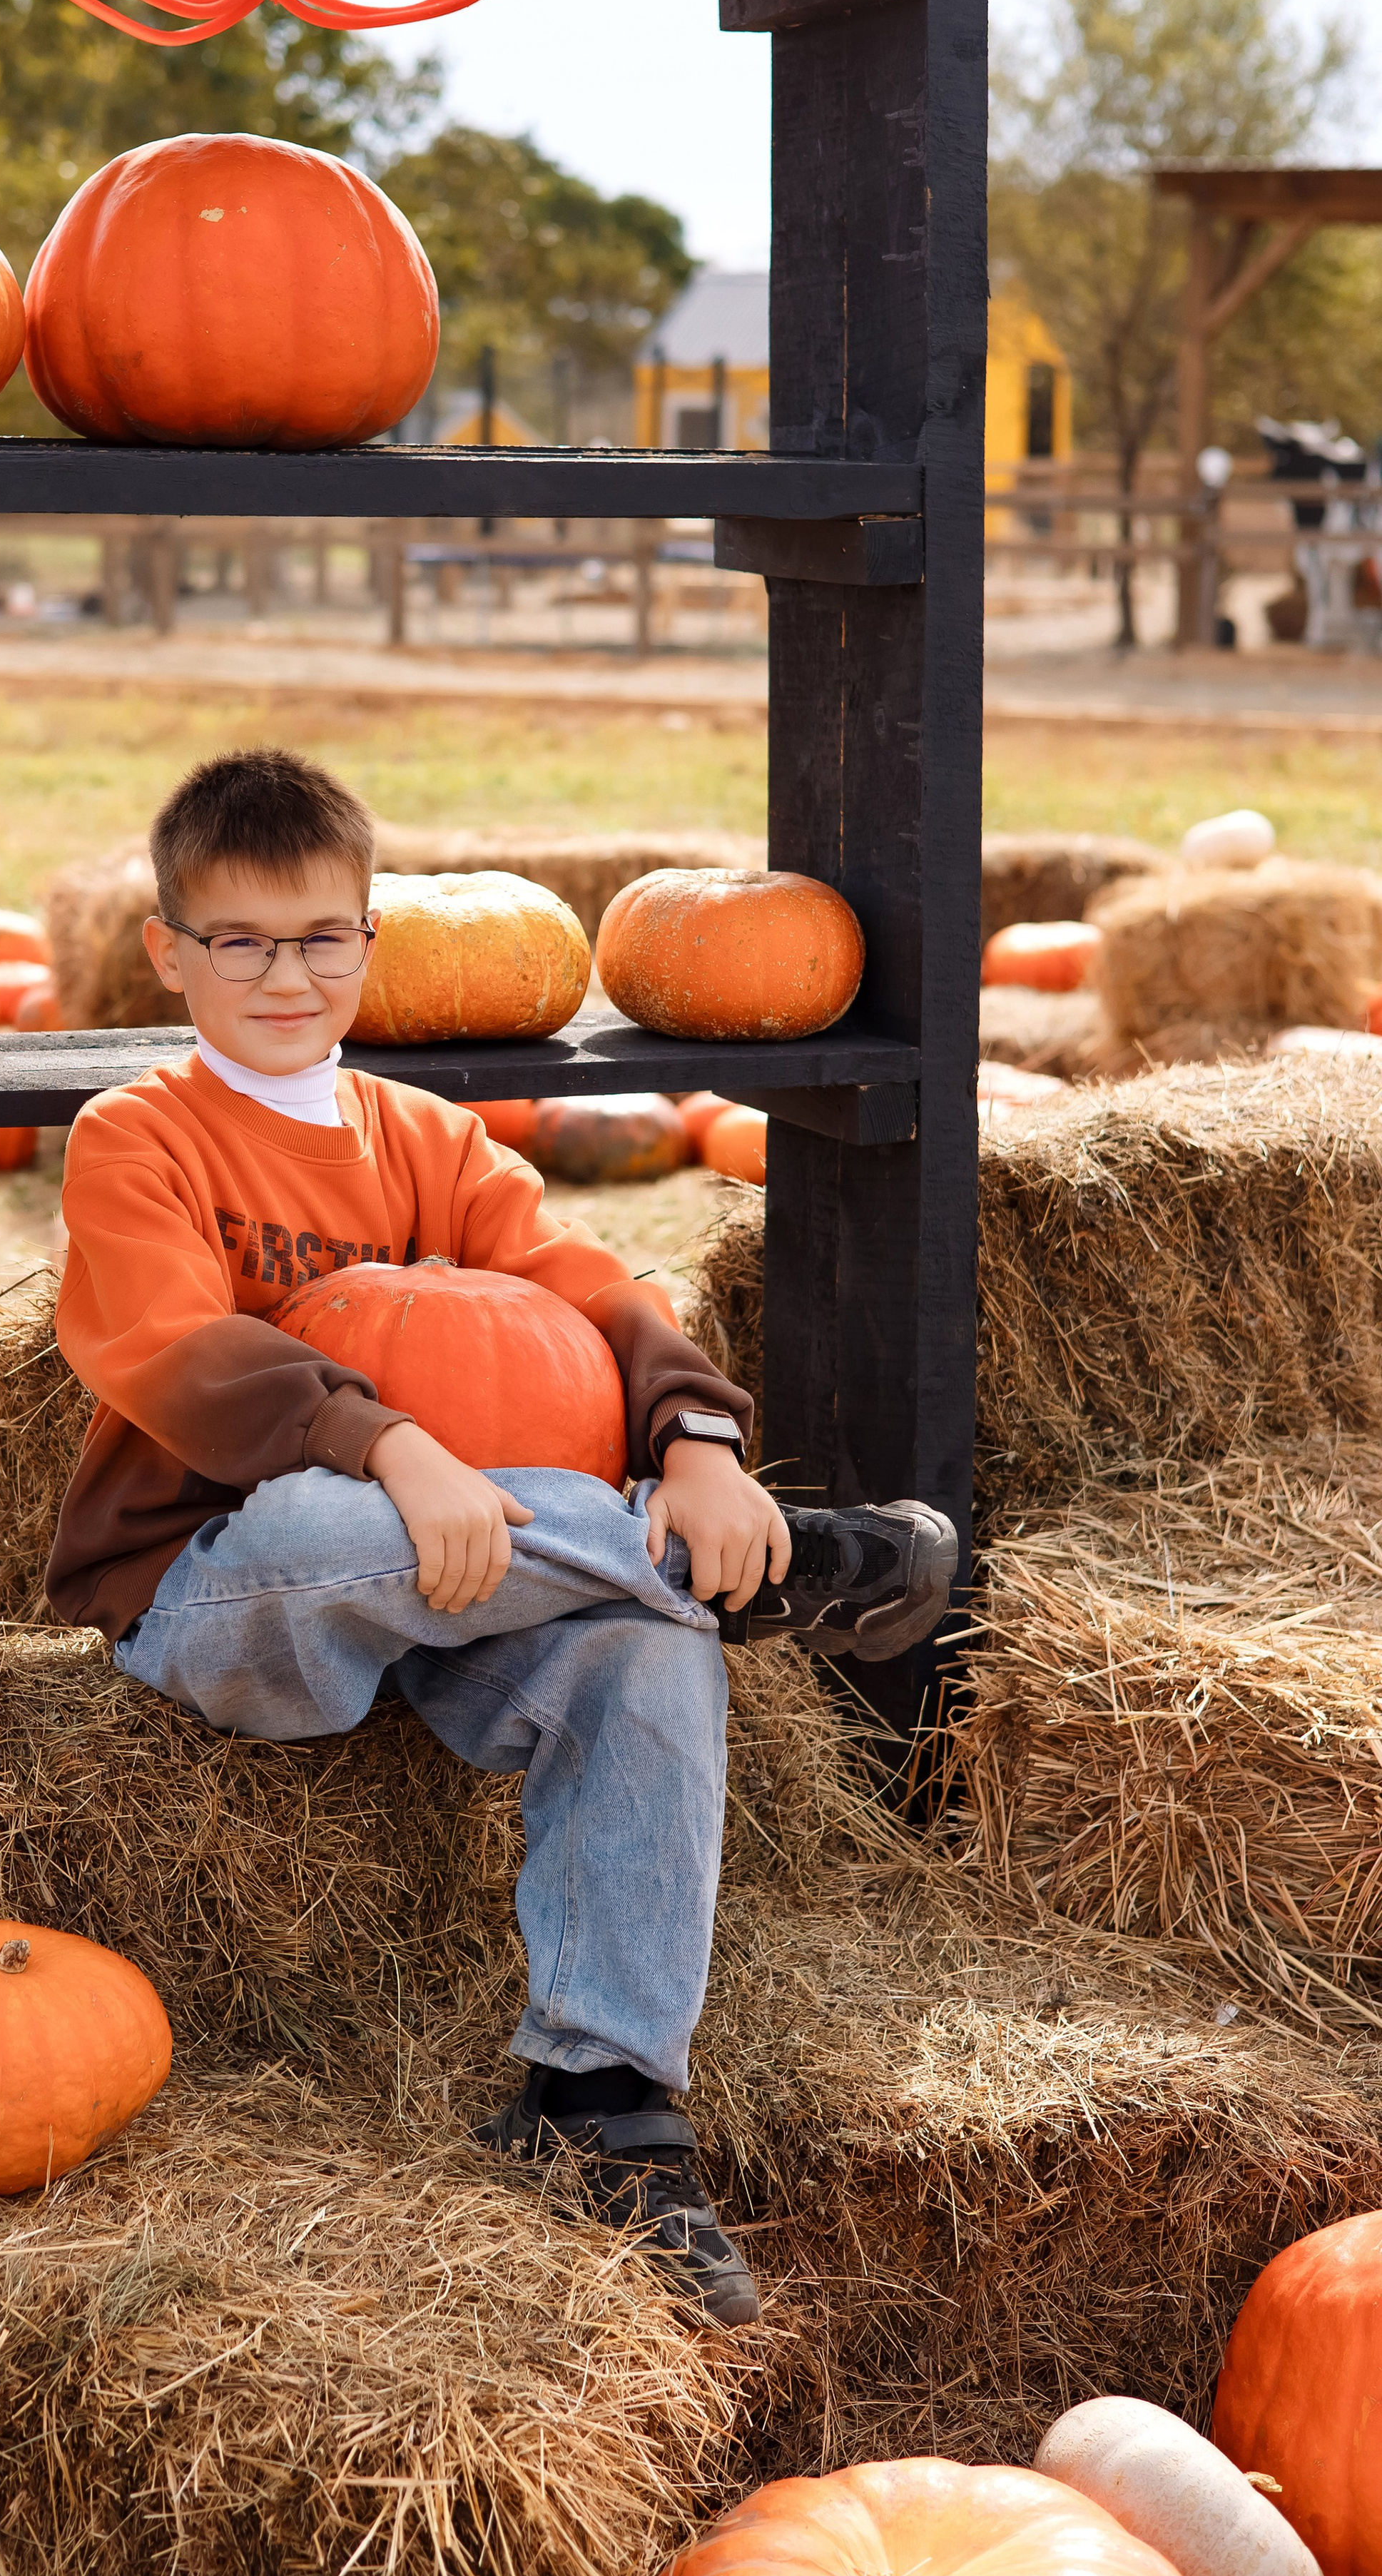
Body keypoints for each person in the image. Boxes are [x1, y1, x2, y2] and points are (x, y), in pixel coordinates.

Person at [46, 747, 957, 2327]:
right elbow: (173, 1351)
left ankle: (603, 2103)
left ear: (371, 940)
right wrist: (393, 1445)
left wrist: (696, 1439)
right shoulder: (139, 1136)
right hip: (231, 1593)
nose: (285, 976)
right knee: (331, 1512)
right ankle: (729, 1569)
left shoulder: (427, 1139)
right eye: (240, 941)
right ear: (168, 954)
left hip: (474, 1590)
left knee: (650, 1653)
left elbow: (588, 1288)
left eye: (321, 938)